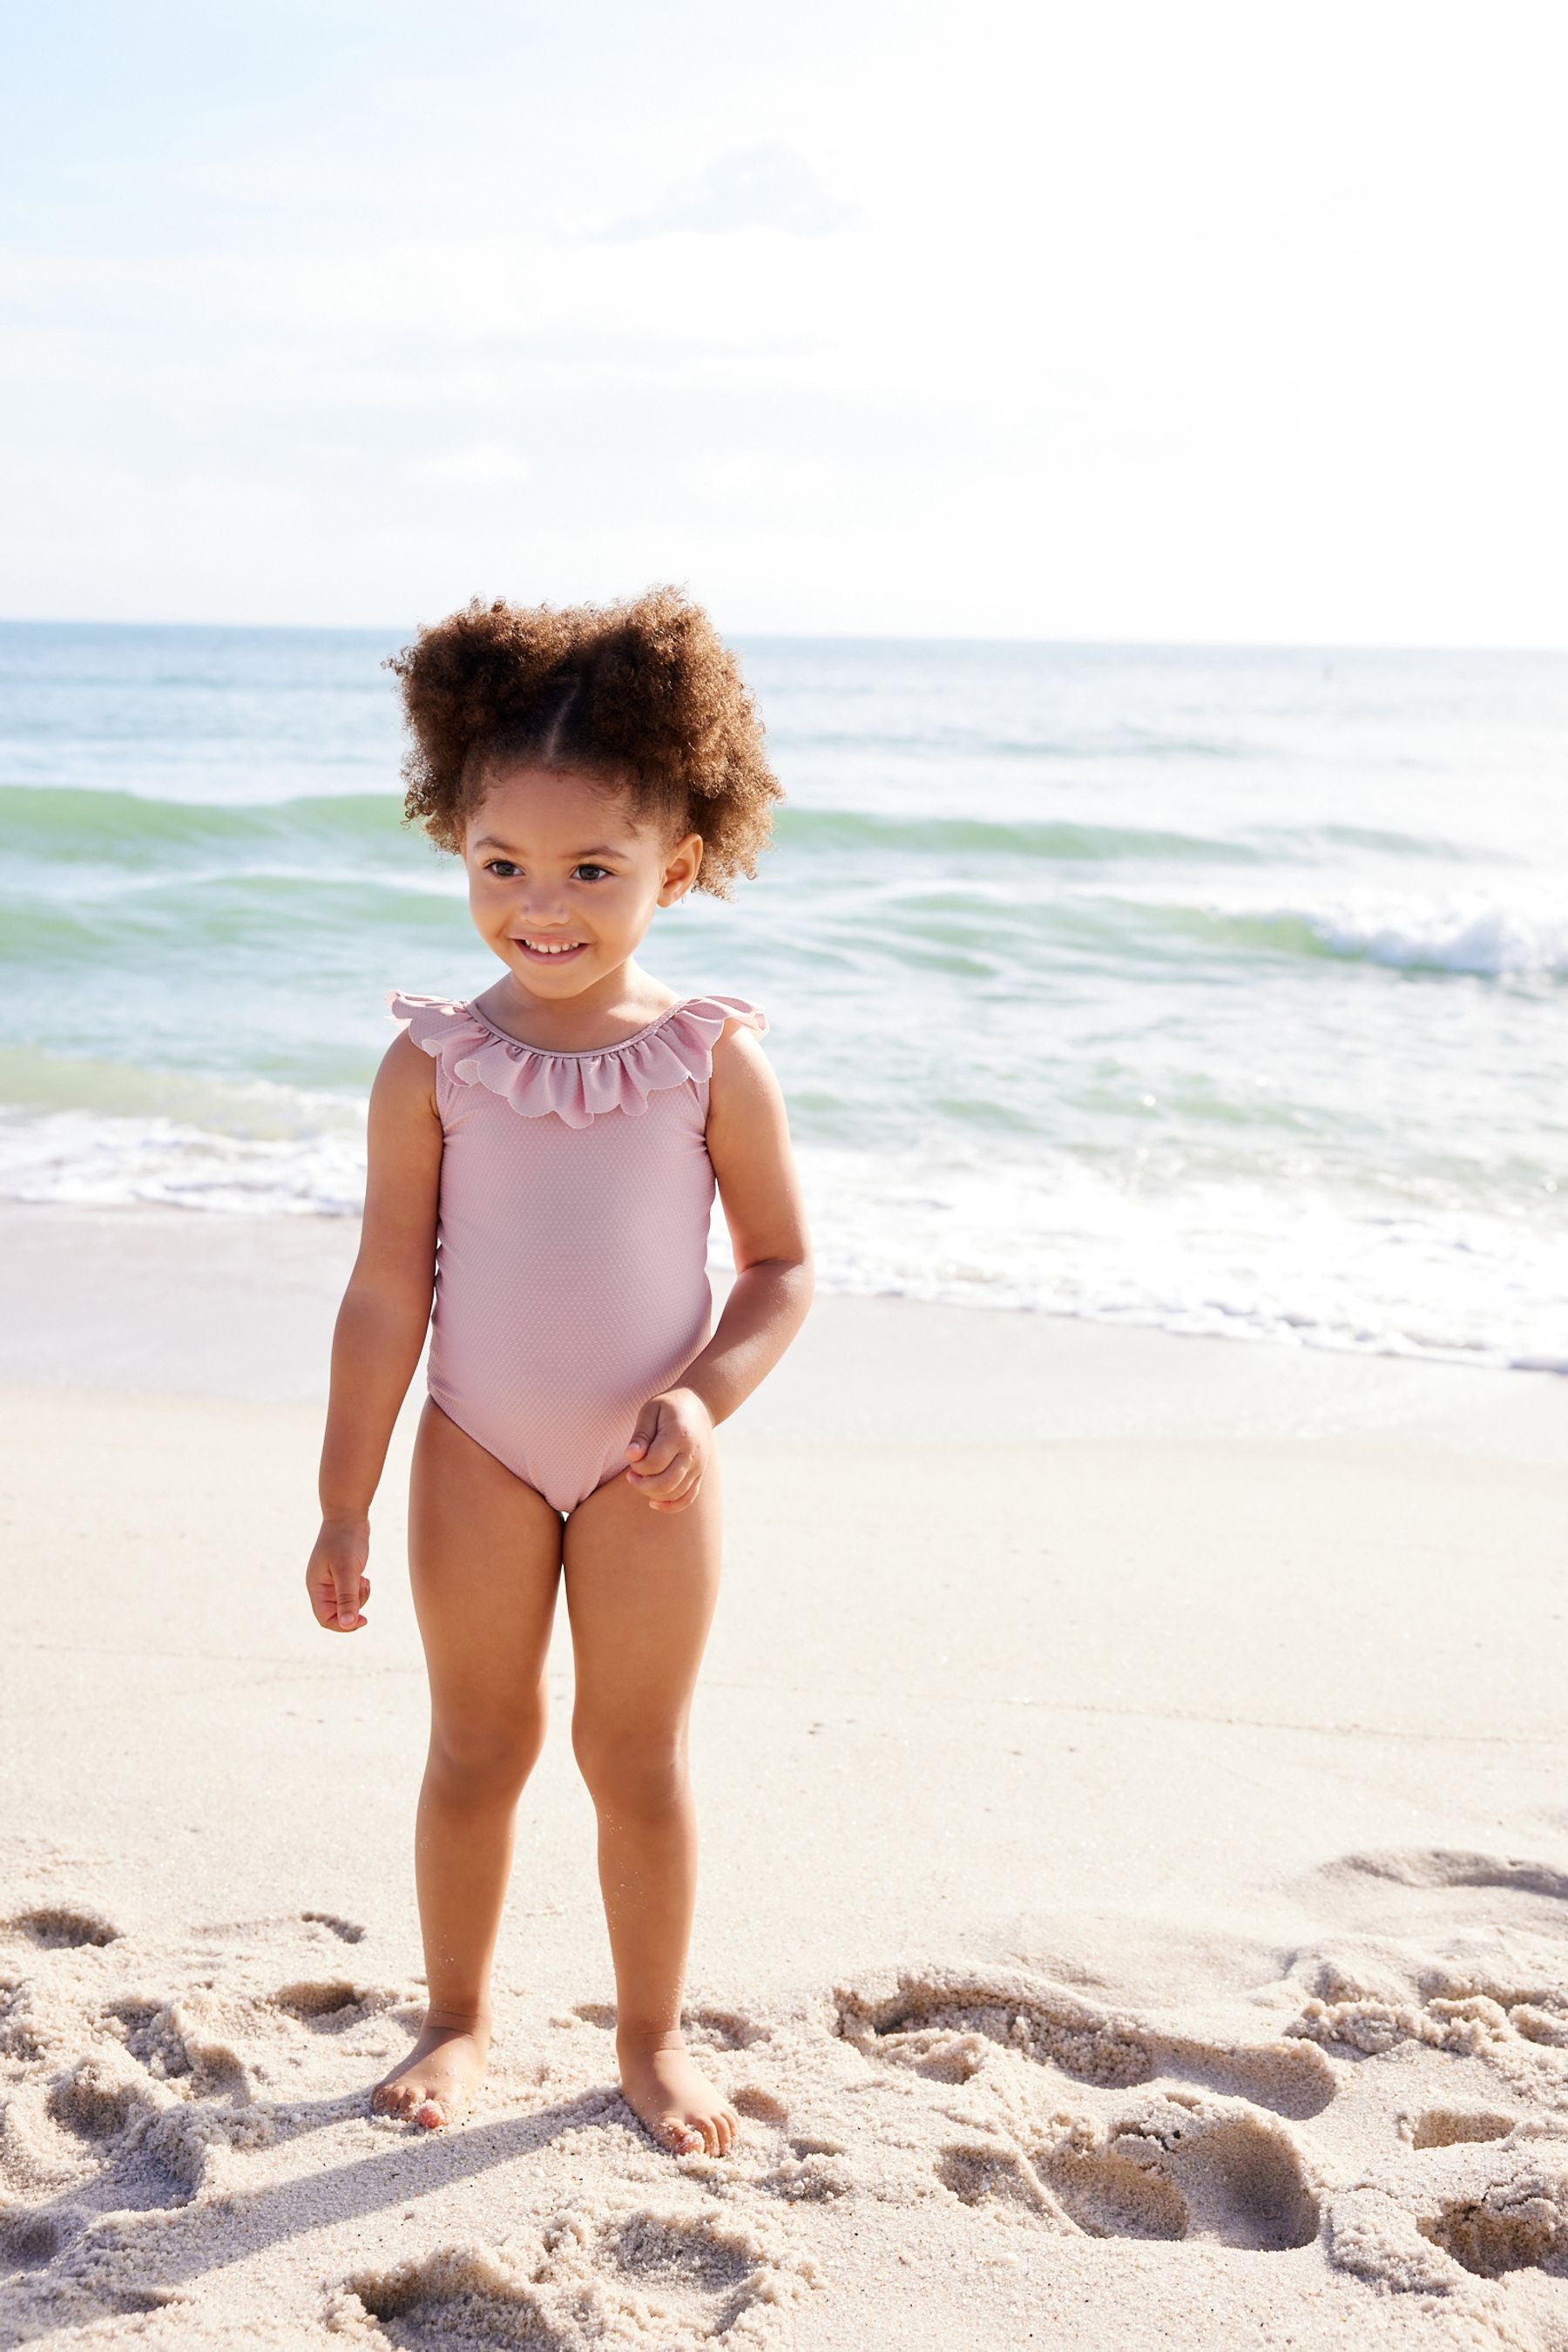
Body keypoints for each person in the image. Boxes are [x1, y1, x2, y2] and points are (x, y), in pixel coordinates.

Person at [304, 587, 814, 2157]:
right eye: (501, 866)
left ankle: (651, 2043)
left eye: (594, 871)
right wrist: (342, 1500)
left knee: (635, 1756)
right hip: (478, 1447)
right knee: (478, 1742)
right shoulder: (433, 1063)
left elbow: (782, 1269)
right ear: (456, 846)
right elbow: (388, 1293)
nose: (546, 904)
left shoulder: (710, 1056)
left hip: (650, 1466)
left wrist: (701, 1399)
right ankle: (454, 2015)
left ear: (678, 865)